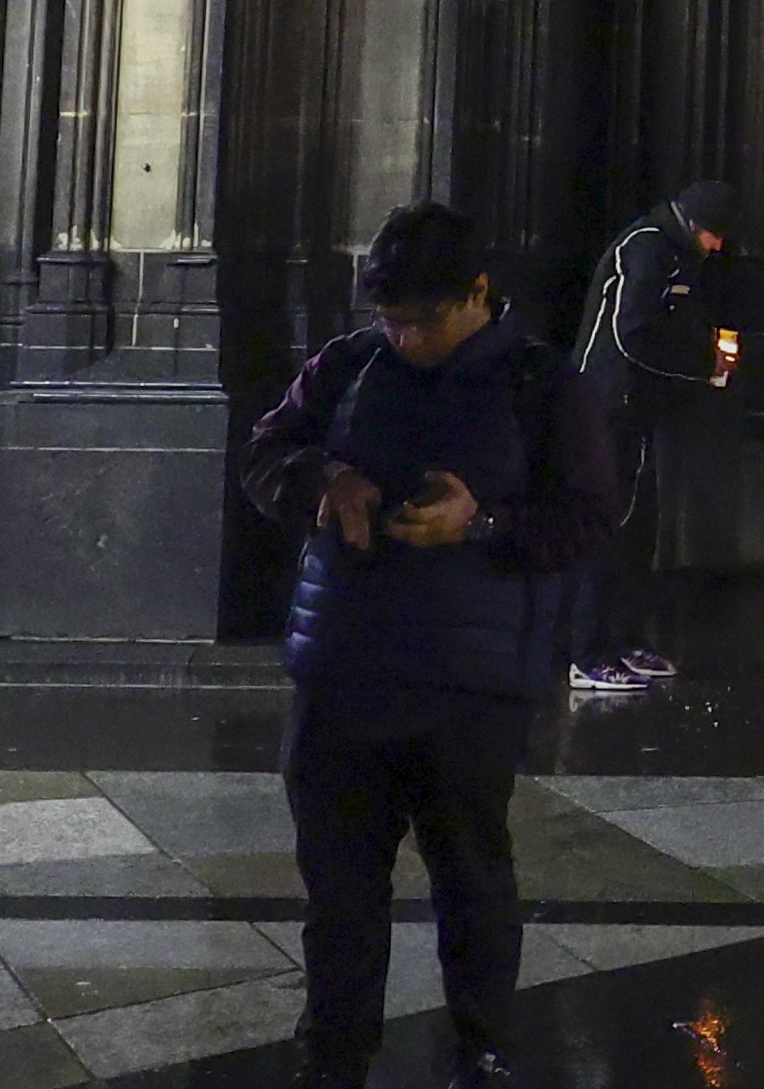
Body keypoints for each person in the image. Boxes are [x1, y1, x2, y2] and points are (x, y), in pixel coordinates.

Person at [236, 201, 616, 1089]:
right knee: (340, 889)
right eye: (388, 319)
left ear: (479, 294)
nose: (404, 338)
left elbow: (589, 515)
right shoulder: (347, 366)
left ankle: (482, 1046)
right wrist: (324, 477)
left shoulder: (542, 386)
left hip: (471, 681)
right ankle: (334, 1047)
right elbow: (266, 452)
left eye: (423, 320)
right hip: (345, 667)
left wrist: (479, 521)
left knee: (472, 879)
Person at [568, 178, 733, 689]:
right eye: (715, 236)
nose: (718, 248)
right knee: (607, 521)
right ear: (695, 224)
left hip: (638, 408)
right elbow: (629, 333)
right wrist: (704, 360)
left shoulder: (676, 256)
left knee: (640, 526)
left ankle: (625, 638)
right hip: (606, 406)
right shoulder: (646, 248)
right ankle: (588, 652)